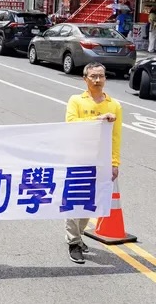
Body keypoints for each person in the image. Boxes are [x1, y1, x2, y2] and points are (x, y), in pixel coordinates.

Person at [64, 62, 122, 264]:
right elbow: (71, 124)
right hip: (77, 159)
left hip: (100, 161)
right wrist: (99, 119)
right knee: (74, 201)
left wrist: (114, 163)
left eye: (101, 76)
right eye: (93, 76)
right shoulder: (76, 101)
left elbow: (115, 136)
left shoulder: (114, 106)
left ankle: (78, 236)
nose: (97, 80)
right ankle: (73, 242)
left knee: (91, 203)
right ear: (85, 79)